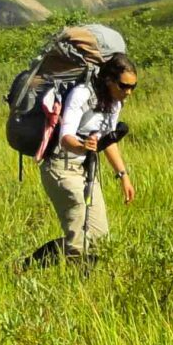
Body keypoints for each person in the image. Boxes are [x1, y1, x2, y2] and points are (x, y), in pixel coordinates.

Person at [30, 52, 138, 265]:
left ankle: (31, 264)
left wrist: (123, 175)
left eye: (132, 87)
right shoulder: (82, 94)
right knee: (79, 241)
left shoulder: (115, 103)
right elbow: (65, 137)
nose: (128, 92)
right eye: (124, 86)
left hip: (85, 170)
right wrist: (83, 145)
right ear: (109, 80)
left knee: (99, 239)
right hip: (61, 167)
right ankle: (75, 286)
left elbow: (108, 141)